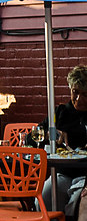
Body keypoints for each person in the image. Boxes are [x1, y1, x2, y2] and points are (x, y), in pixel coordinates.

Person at [42, 65, 87, 212]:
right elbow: (35, 135)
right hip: (62, 173)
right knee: (45, 196)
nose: (78, 99)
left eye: (85, 94)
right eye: (75, 92)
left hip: (84, 176)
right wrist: (52, 134)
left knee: (75, 204)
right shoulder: (60, 112)